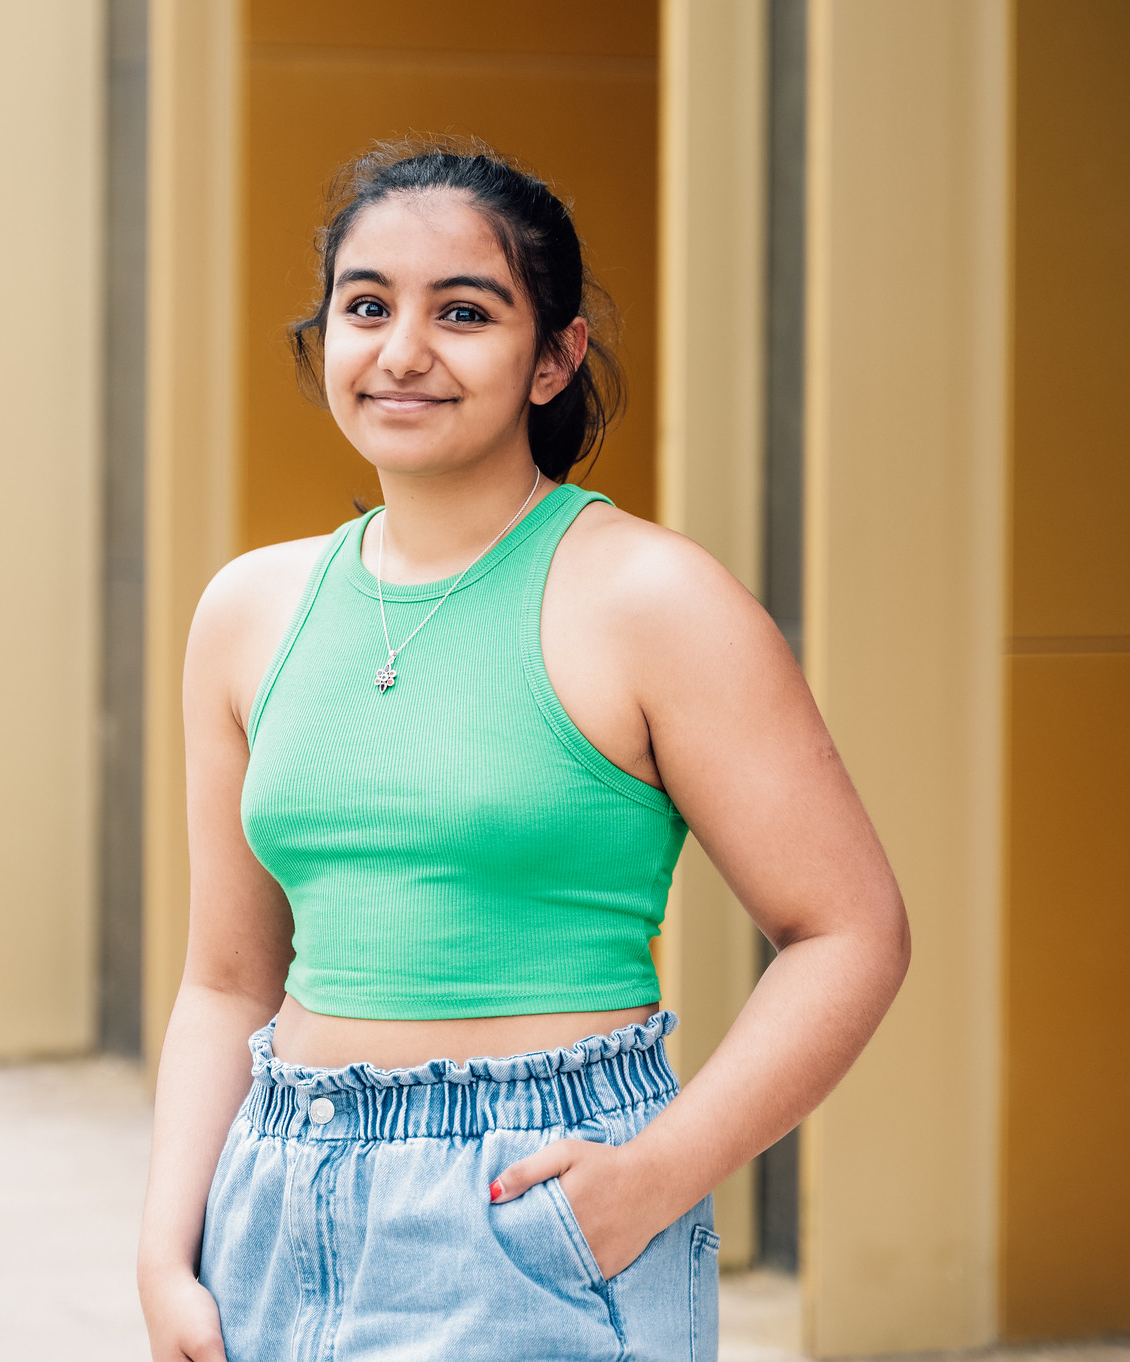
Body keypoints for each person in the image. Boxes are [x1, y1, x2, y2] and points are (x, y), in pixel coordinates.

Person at [135, 140, 909, 1362]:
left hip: (530, 1209)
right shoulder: (249, 609)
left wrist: (653, 1179)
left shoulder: (654, 599)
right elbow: (228, 980)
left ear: (554, 357)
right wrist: (165, 1247)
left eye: (464, 312)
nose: (401, 352)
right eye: (367, 307)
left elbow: (850, 932)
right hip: (273, 1203)